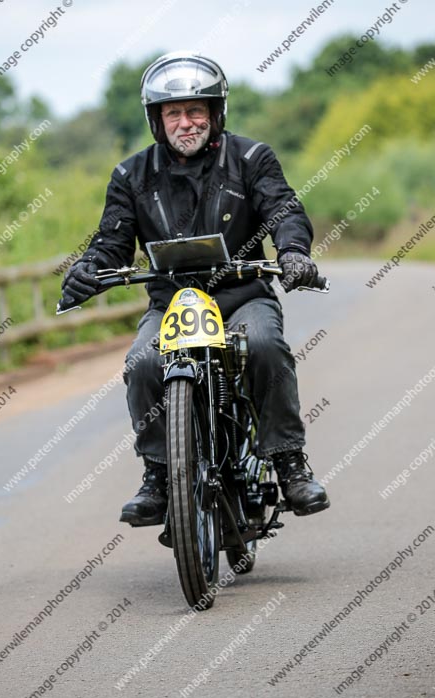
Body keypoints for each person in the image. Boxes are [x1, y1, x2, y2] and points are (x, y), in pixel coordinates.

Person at [61, 51, 330, 527]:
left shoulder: (251, 158)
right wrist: (87, 270)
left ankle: (289, 462)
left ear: (215, 113)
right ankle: (159, 475)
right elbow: (111, 242)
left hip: (242, 296)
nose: (186, 122)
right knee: (143, 361)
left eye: (196, 111)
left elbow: (284, 210)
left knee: (266, 345)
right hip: (173, 302)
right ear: (156, 120)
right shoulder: (131, 175)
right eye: (173, 113)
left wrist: (293, 252)